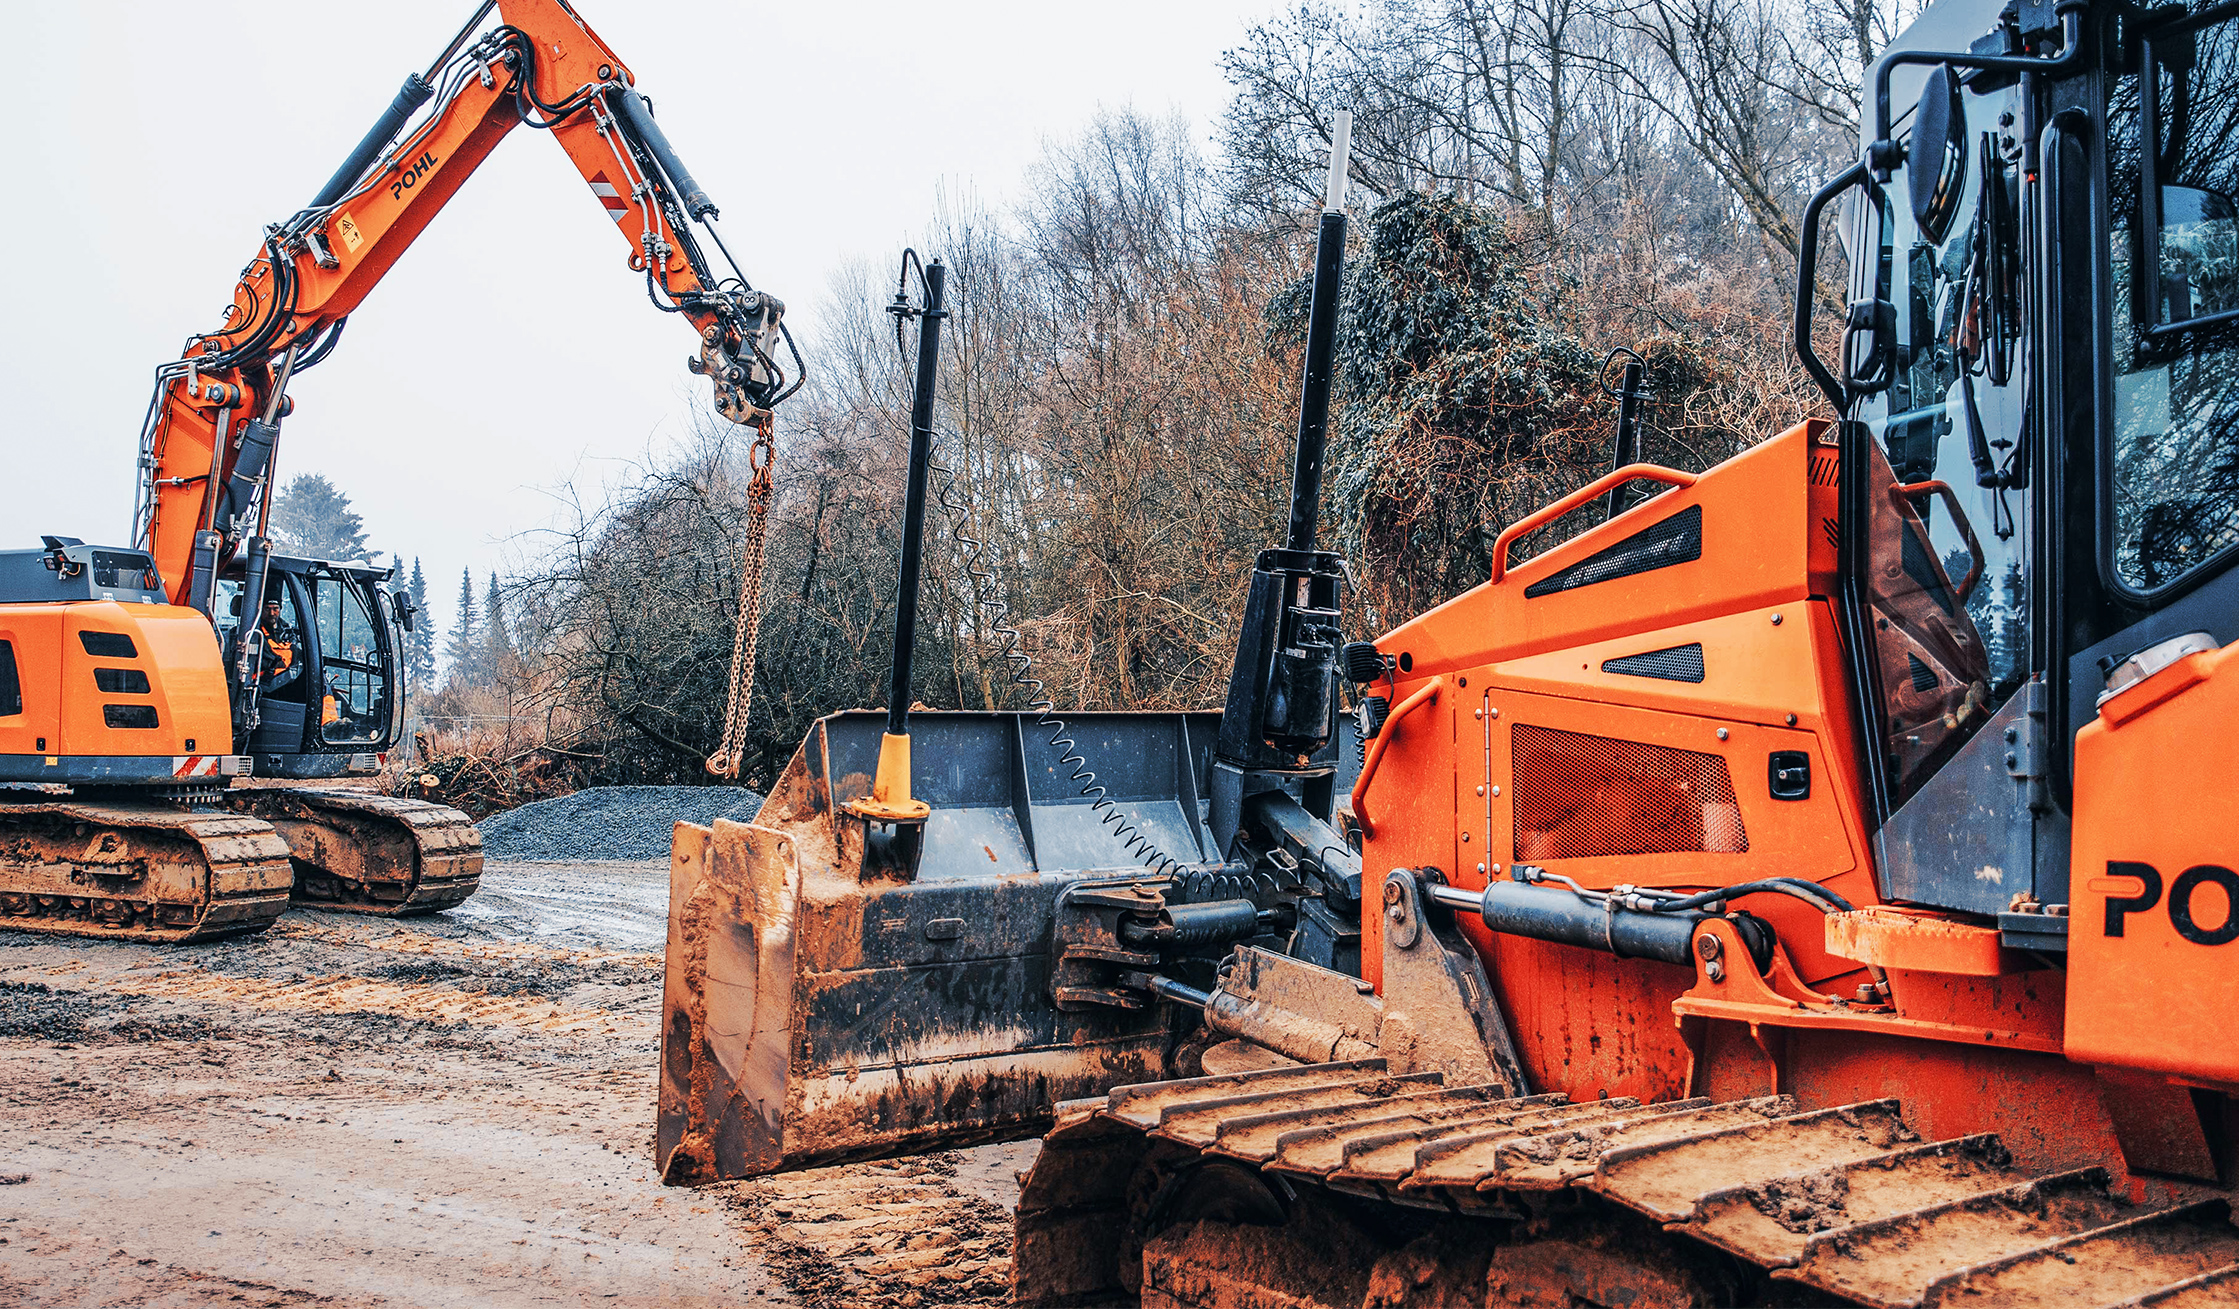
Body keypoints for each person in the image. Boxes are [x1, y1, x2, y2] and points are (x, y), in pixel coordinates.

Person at [259, 598, 302, 690]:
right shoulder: (256, 633)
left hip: (286, 680)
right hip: (264, 684)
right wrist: (275, 664)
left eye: (275, 609)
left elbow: (295, 651)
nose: (271, 613)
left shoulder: (286, 630)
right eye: (267, 609)